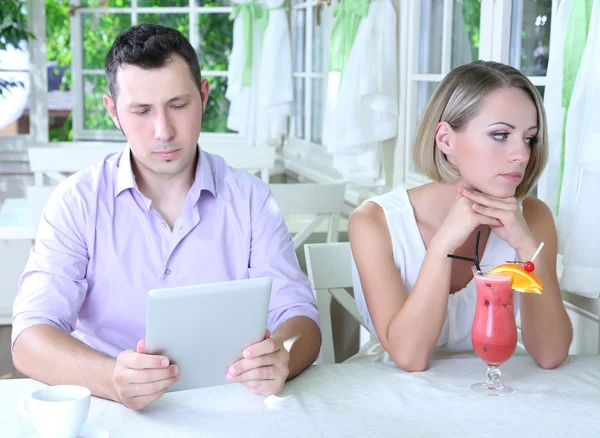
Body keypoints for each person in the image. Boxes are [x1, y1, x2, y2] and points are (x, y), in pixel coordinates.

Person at [11, 24, 321, 410]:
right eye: (141, 111)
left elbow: (299, 315)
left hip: (232, 405)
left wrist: (284, 355)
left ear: (204, 96)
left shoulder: (251, 199)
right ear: (113, 111)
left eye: (178, 105)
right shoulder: (77, 202)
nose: (164, 131)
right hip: (109, 409)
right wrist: (111, 378)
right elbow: (29, 338)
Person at [348, 61, 572, 371]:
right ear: (445, 140)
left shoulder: (533, 218)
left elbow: (550, 354)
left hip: (492, 392)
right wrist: (442, 245)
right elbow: (410, 357)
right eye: (500, 135)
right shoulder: (374, 222)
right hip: (393, 395)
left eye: (528, 138)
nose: (521, 154)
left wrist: (525, 248)